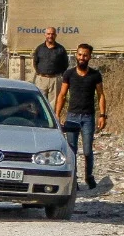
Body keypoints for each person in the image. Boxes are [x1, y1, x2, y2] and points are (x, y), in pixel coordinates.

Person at [56, 43, 108, 189]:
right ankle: (74, 179)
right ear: (76, 55)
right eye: (79, 54)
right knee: (71, 151)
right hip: (72, 117)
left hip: (88, 118)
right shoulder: (69, 74)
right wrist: (57, 114)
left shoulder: (95, 75)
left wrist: (102, 115)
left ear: (89, 57)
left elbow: (101, 95)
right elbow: (62, 95)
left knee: (87, 150)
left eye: (85, 55)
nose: (82, 57)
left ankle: (89, 176)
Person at [31, 27, 69, 104]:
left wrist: (59, 76)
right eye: (48, 34)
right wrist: (40, 73)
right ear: (45, 35)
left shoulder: (61, 49)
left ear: (55, 35)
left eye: (52, 34)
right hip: (41, 79)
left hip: (55, 80)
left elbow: (65, 64)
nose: (50, 36)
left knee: (53, 104)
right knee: (40, 103)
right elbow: (35, 62)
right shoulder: (39, 48)